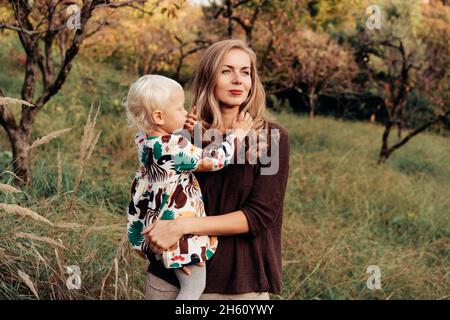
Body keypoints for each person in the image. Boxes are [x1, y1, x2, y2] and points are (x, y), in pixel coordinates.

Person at [142, 39, 290, 300]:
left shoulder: (269, 137)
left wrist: (181, 226)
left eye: (245, 72)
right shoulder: (186, 134)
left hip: (238, 284)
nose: (238, 80)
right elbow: (155, 186)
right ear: (209, 77)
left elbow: (259, 215)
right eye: (226, 71)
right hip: (175, 275)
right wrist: (187, 134)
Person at [123, 74, 253, 300]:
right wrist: (237, 135)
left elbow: (172, 152)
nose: (185, 113)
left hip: (155, 218)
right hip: (177, 225)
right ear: (158, 116)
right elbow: (214, 160)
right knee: (193, 287)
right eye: (180, 109)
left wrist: (185, 126)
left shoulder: (144, 140)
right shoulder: (175, 146)